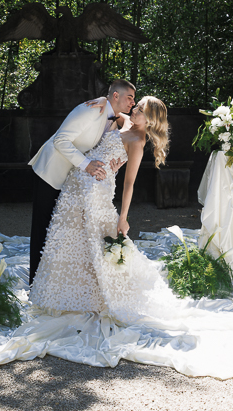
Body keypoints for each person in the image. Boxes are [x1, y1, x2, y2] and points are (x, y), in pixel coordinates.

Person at [29, 96, 175, 320]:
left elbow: (129, 182)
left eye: (140, 109)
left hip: (97, 186)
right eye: (136, 106)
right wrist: (102, 99)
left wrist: (123, 217)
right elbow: (111, 108)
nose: (134, 110)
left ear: (151, 120)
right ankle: (65, 290)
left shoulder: (138, 138)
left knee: (93, 235)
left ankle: (97, 294)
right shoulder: (126, 120)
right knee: (68, 235)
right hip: (78, 180)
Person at [28, 79, 136, 284]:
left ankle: (53, 281)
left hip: (71, 177)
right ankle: (35, 281)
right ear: (115, 96)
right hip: (50, 171)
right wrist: (86, 164)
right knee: (42, 228)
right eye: (129, 97)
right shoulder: (89, 110)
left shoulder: (111, 115)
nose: (132, 102)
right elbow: (61, 140)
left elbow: (130, 124)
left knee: (57, 229)